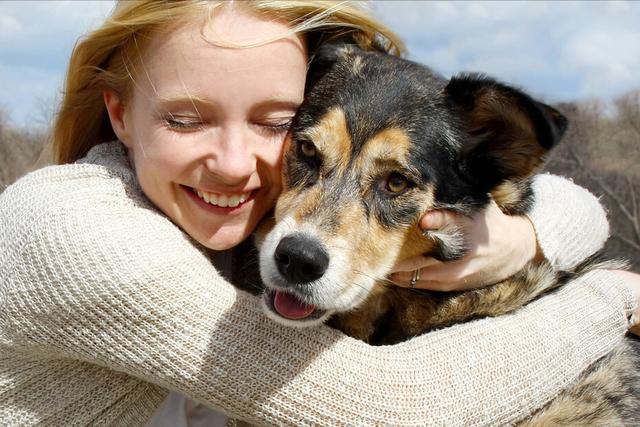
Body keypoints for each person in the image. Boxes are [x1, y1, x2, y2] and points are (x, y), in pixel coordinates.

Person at [1, 1, 638, 426]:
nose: (230, 162)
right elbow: (399, 409)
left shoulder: (222, 212)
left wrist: (527, 237)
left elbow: (562, 197)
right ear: (119, 114)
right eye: (185, 118)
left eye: (275, 124)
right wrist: (612, 298)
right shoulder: (79, 234)